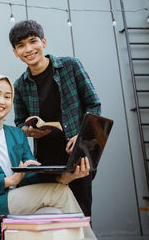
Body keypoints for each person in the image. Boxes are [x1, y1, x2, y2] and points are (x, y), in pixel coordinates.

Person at [0, 74, 93, 235]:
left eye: (7, 96)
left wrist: (64, 178)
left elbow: (31, 174)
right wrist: (8, 181)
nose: (2, 101)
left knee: (57, 215)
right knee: (60, 192)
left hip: (21, 201)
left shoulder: (17, 134)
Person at [9, 20, 101, 217]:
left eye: (33, 41)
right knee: (51, 216)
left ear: (43, 42)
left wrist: (82, 135)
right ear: (16, 52)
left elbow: (94, 104)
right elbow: (19, 123)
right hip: (44, 163)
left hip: (77, 158)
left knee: (80, 215)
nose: (28, 49)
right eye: (21, 45)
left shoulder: (71, 66)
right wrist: (28, 130)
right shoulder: (20, 86)